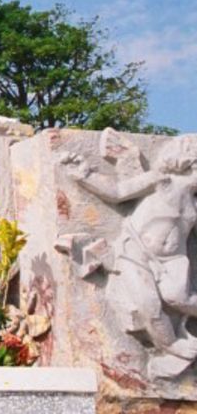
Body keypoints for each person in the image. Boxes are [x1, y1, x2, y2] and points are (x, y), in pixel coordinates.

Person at [64, 139, 197, 379]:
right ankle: (172, 347)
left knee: (180, 297)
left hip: (174, 260)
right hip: (136, 252)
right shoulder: (160, 181)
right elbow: (118, 192)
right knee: (150, 306)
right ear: (189, 165)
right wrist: (85, 175)